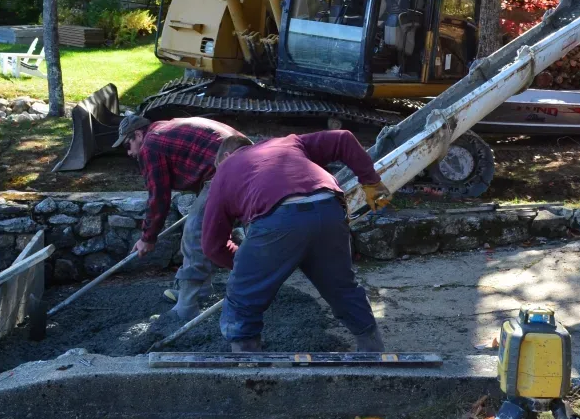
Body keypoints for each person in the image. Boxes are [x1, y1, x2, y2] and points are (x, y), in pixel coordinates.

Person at [200, 130, 390, 352]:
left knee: (243, 297)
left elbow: (212, 245)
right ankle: (372, 349)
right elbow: (343, 138)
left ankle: (247, 361)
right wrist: (371, 181)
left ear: (225, 156)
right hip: (329, 208)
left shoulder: (224, 171)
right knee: (341, 287)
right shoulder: (287, 142)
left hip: (279, 218)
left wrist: (250, 269)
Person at [115, 113, 247, 321]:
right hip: (239, 163)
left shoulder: (151, 145)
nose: (129, 153)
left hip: (229, 168)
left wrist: (148, 237)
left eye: (127, 145)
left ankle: (186, 306)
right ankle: (201, 289)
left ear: (138, 134)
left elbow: (158, 196)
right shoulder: (166, 129)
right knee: (208, 232)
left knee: (194, 232)